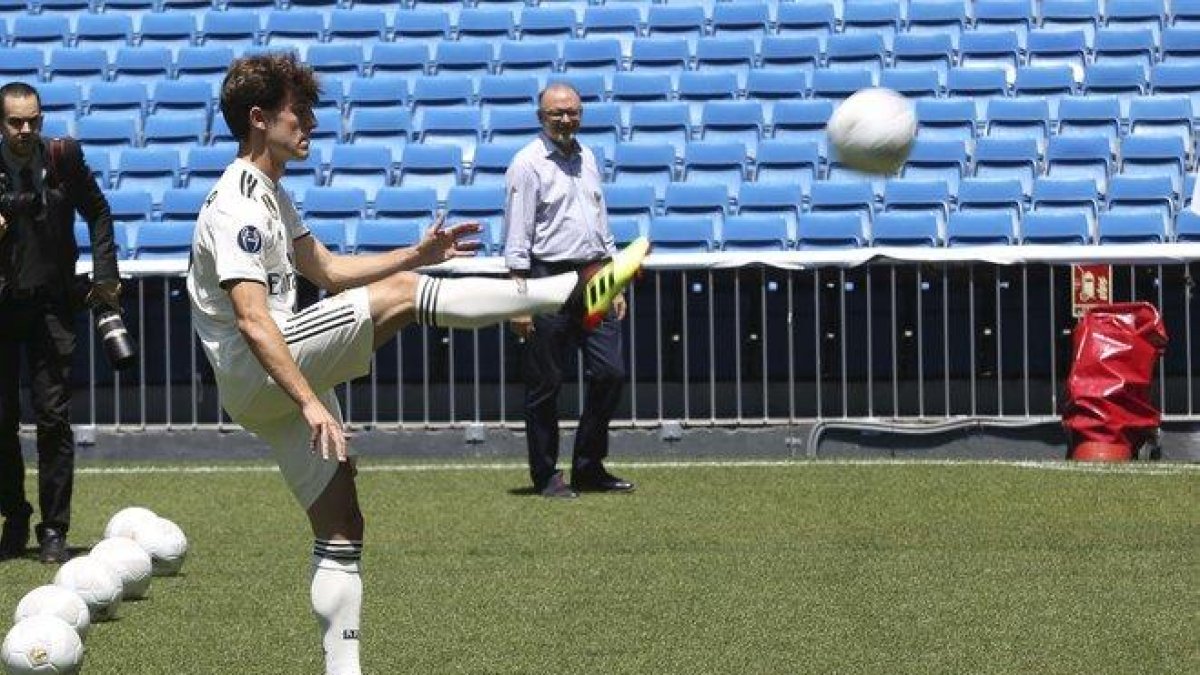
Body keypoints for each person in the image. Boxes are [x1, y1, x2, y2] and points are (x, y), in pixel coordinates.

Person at [186, 54, 647, 675]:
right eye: (302, 111)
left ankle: (342, 670)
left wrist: (418, 251)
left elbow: (325, 268)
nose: (313, 122)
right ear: (260, 118)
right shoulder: (236, 202)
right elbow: (251, 318)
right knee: (404, 295)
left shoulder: (271, 192)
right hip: (264, 364)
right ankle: (563, 291)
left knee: (343, 523)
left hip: (271, 374)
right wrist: (309, 399)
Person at [0, 81, 121, 564]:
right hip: (4, 307)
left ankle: (54, 529)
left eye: (33, 119)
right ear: (1, 123)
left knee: (53, 421)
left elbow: (98, 212)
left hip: (53, 305)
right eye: (15, 122)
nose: (25, 129)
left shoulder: (64, 158)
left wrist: (107, 275)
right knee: (1, 422)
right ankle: (14, 517)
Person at [504, 83, 637, 499]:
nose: (566, 119)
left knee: (611, 371)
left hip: (594, 275)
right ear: (541, 117)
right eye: (557, 113)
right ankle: (546, 474)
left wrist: (614, 280)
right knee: (546, 382)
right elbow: (516, 232)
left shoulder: (589, 157)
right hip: (547, 278)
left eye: (573, 112)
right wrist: (519, 299)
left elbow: (601, 222)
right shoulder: (526, 164)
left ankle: (588, 466)